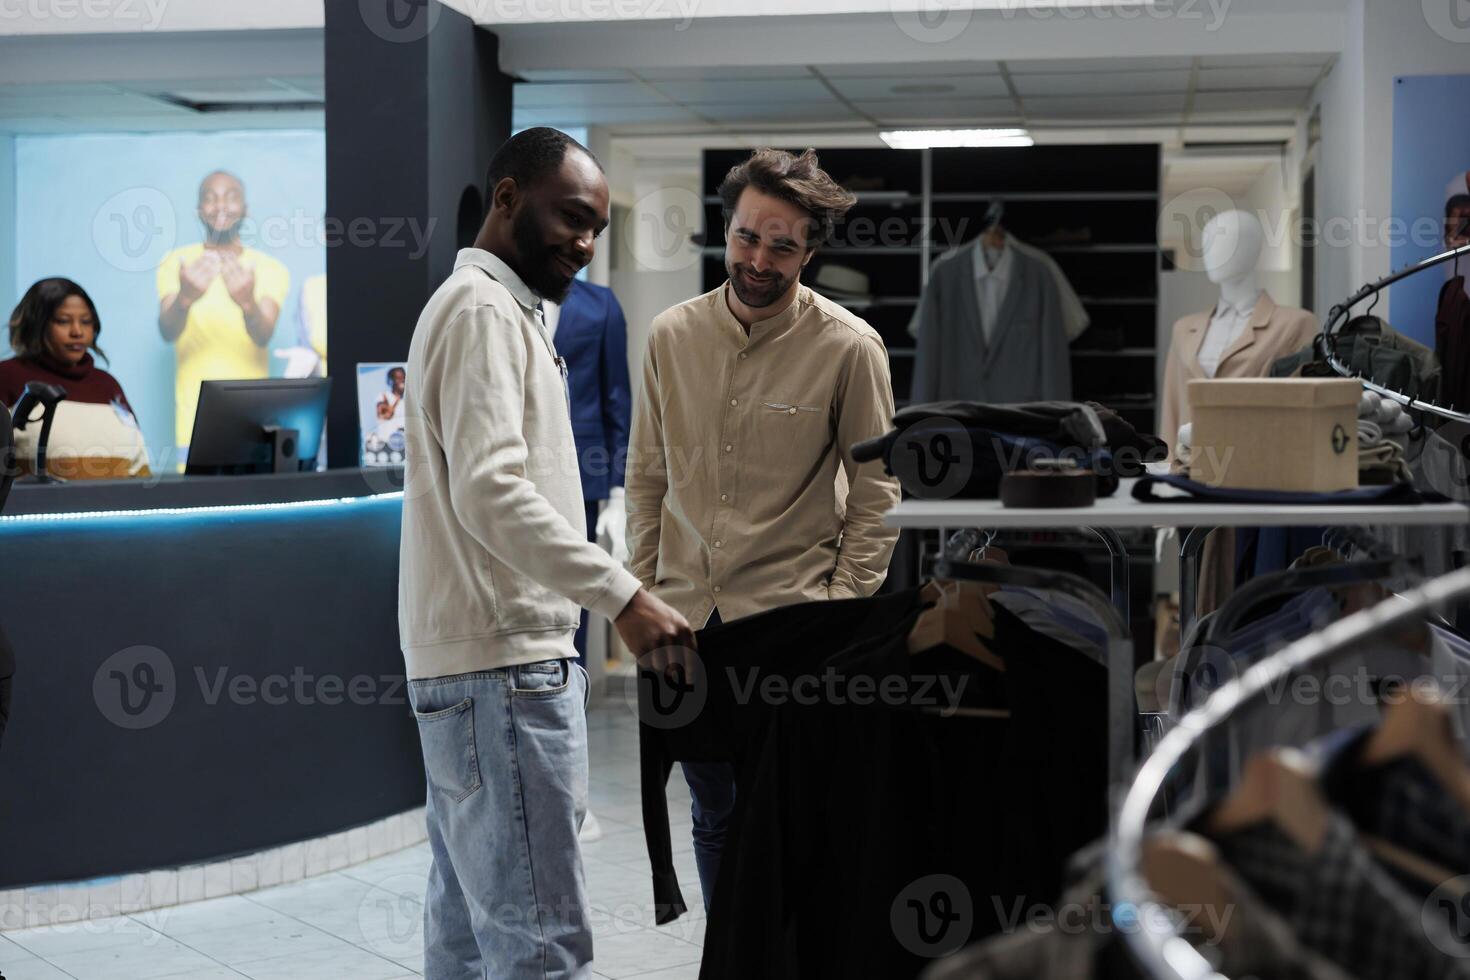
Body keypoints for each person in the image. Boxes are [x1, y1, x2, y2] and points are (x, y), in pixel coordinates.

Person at [398, 127, 694, 980]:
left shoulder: (490, 308)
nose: (585, 242)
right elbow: (491, 491)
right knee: (540, 947)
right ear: (505, 199)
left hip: (478, 670)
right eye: (570, 217)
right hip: (504, 670)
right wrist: (624, 598)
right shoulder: (484, 310)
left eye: (597, 226)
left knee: (466, 938)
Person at [625, 147, 902, 909]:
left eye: (783, 246)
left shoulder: (849, 348)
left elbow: (878, 494)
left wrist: (836, 616)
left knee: (793, 814)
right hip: (687, 626)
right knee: (714, 811)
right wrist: (643, 599)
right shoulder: (671, 337)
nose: (759, 259)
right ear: (728, 230)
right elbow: (646, 477)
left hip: (791, 626)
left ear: (809, 251)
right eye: (749, 237)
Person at [157, 170, 289, 455]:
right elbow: (167, 331)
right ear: (199, 210)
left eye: (231, 197)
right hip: (192, 416)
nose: (220, 206)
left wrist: (247, 303)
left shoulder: (268, 268)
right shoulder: (176, 263)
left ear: (245, 209)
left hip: (253, 417)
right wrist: (185, 298)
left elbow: (263, 335)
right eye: (210, 198)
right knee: (195, 498)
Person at [1, 277, 149, 479]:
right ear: (36, 324)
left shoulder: (108, 385)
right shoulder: (8, 376)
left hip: (120, 508)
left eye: (86, 322)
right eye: (63, 321)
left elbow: (139, 468)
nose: (77, 332)